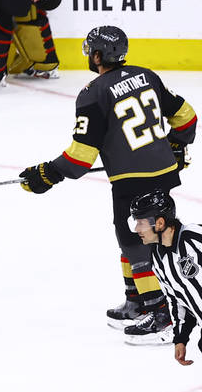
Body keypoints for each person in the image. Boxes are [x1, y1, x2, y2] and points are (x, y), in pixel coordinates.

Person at [19, 25, 196, 344]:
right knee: (131, 237)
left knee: (137, 243)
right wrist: (178, 146)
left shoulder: (93, 93)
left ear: (99, 55)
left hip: (132, 180)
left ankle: (162, 316)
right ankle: (137, 301)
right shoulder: (147, 75)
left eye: (91, 51)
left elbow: (79, 159)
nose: (89, 56)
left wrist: (46, 174)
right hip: (161, 173)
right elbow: (186, 116)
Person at [128, 190, 202, 351]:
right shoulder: (157, 259)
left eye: (140, 223)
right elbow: (177, 300)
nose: (136, 229)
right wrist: (181, 338)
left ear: (160, 223)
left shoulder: (195, 237)